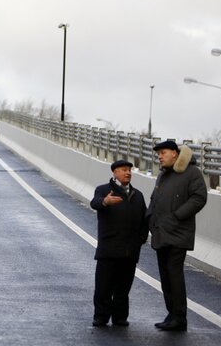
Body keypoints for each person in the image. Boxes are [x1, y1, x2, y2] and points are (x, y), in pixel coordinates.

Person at [147, 140, 208, 332]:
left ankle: (179, 316)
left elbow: (199, 198)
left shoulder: (191, 173)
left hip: (178, 233)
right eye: (158, 154)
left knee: (174, 274)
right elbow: (154, 200)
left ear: (175, 153)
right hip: (160, 232)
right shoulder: (163, 175)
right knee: (165, 277)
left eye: (163, 152)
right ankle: (171, 314)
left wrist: (177, 216)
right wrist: (149, 221)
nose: (160, 156)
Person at [89, 159, 148, 328]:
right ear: (115, 173)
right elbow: (95, 203)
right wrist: (105, 202)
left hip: (130, 250)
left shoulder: (137, 195)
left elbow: (145, 218)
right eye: (123, 170)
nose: (128, 172)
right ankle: (101, 316)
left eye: (129, 170)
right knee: (103, 286)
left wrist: (142, 238)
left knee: (123, 287)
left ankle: (120, 317)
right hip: (109, 248)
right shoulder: (104, 190)